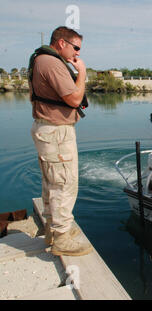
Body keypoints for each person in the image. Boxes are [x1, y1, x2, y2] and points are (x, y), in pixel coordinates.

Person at [29, 26, 92, 256]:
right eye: (75, 48)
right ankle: (61, 237)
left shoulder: (43, 60)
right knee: (64, 183)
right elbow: (75, 99)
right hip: (56, 132)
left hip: (50, 131)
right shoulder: (52, 63)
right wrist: (82, 72)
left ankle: (53, 230)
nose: (77, 54)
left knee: (52, 182)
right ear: (61, 43)